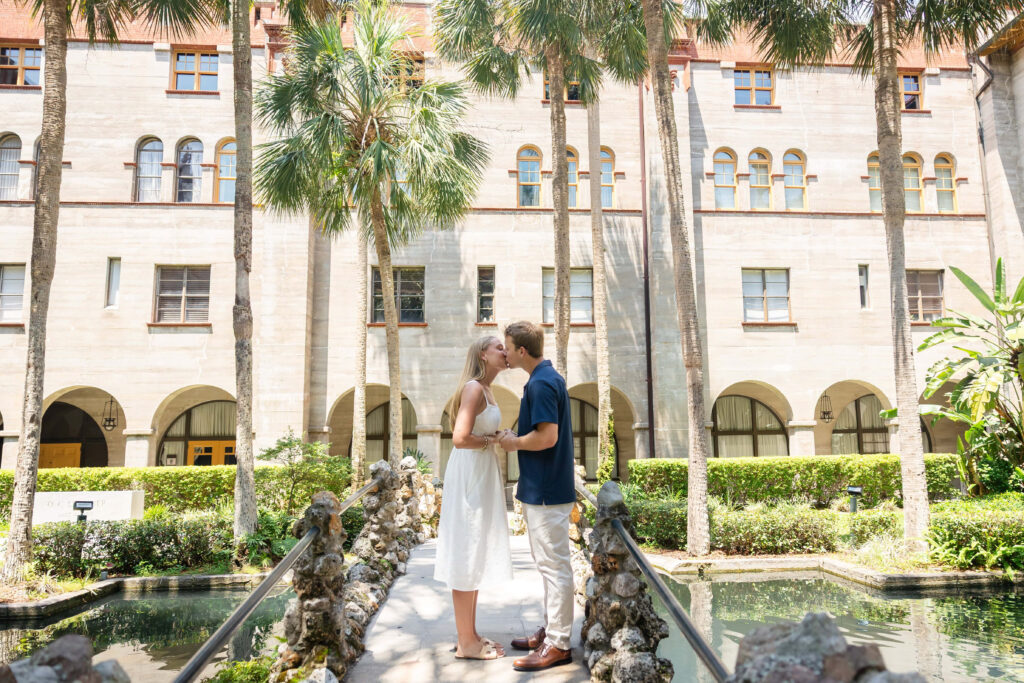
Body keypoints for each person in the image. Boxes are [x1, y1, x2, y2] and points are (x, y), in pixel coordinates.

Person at [498, 321, 575, 672]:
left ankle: (559, 644)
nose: (506, 352)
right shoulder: (543, 380)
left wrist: (514, 442)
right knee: (548, 567)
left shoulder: (543, 383)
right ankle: (552, 633)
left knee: (555, 567)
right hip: (541, 489)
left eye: (508, 347)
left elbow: (547, 438)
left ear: (522, 351)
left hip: (547, 492)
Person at [433, 335, 514, 660]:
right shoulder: (473, 388)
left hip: (480, 474)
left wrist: (495, 438)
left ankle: (471, 634)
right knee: (466, 551)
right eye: (498, 347)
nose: (504, 352)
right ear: (483, 353)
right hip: (469, 476)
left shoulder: (487, 390)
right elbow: (459, 437)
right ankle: (465, 643)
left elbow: (475, 434)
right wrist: (489, 442)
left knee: (475, 550)